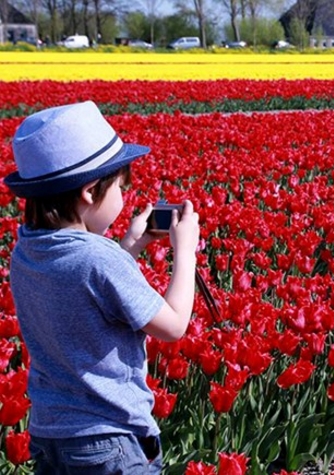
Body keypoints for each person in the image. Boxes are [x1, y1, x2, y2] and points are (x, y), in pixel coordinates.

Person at [3, 100, 200, 473]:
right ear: (91, 192)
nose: (124, 199)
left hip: (50, 437)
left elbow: (82, 286)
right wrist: (185, 250)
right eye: (121, 188)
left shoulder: (26, 250)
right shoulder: (99, 260)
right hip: (109, 441)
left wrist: (131, 247)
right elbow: (173, 326)